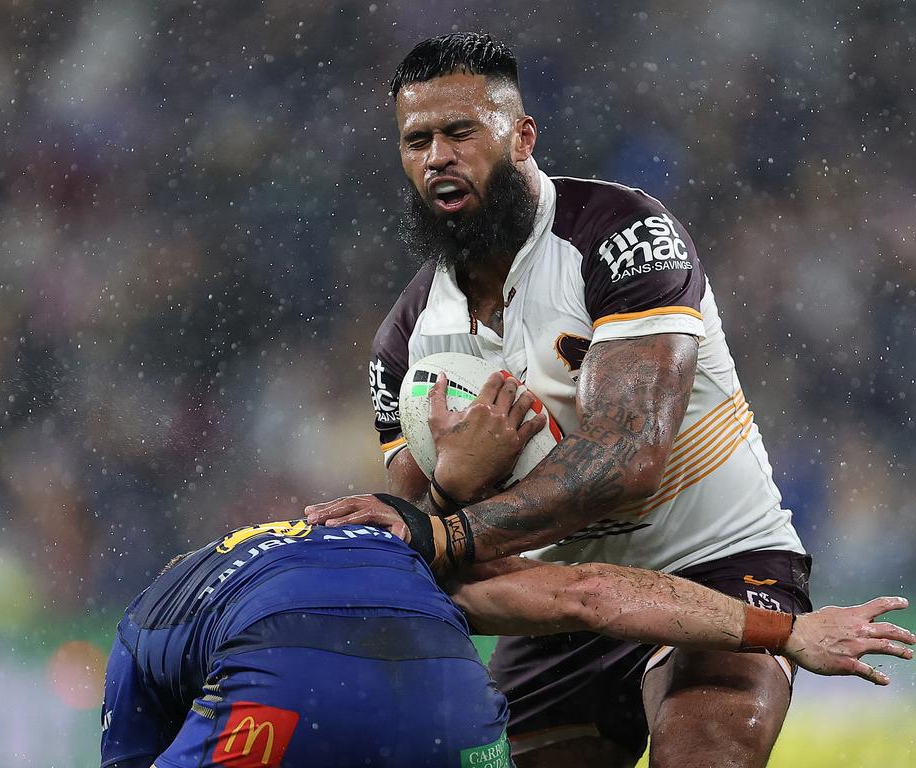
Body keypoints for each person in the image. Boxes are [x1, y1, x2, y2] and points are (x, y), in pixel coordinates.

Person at [330, 31, 849, 767]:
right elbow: (427, 549)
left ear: (521, 138)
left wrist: (452, 526)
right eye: (417, 140)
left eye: (460, 131)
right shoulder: (405, 340)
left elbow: (627, 458)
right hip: (559, 601)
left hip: (716, 560)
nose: (437, 156)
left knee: (703, 755)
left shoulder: (625, 235)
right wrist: (454, 482)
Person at [101, 507, 913, 768]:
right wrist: (791, 629)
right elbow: (594, 593)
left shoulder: (146, 618)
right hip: (456, 708)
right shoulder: (418, 555)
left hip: (276, 688)